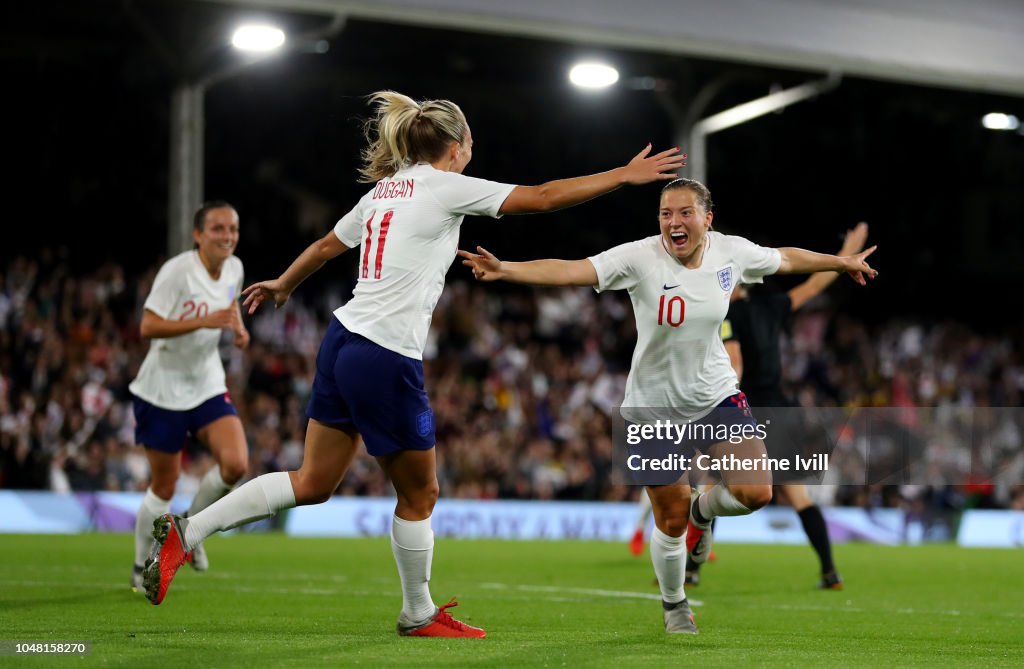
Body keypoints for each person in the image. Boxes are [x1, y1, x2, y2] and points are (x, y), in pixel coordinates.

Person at [141, 90, 685, 637]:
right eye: (471, 139)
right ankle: (417, 613)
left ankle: (188, 531)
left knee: (313, 481)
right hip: (383, 353)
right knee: (420, 494)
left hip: (343, 338)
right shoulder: (444, 186)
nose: (474, 147)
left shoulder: (383, 192)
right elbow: (542, 197)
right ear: (455, 146)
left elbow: (328, 246)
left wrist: (284, 283)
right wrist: (623, 175)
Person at [458, 178, 877, 633]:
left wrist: (840, 262)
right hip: (653, 407)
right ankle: (675, 604)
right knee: (671, 519)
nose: (673, 223)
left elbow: (787, 259)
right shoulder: (640, 257)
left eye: (684, 213)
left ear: (706, 219)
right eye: (665, 214)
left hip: (713, 394)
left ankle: (705, 512)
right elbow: (574, 269)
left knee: (757, 491)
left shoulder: (730, 252)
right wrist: (507, 270)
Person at [684, 222, 869, 590]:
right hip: (781, 410)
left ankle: (691, 570)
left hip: (749, 409)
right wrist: (843, 258)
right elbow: (813, 286)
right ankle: (830, 571)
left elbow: (734, 364)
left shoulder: (726, 315)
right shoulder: (771, 306)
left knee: (715, 485)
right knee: (797, 495)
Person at [129, 201, 250, 593]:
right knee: (164, 485)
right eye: (217, 229)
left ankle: (188, 534)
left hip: (206, 384)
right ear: (198, 235)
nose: (227, 236)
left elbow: (228, 304)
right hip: (162, 389)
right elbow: (147, 326)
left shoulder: (234, 267)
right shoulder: (177, 272)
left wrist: (238, 328)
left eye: (232, 229)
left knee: (235, 463)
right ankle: (138, 565)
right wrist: (204, 320)